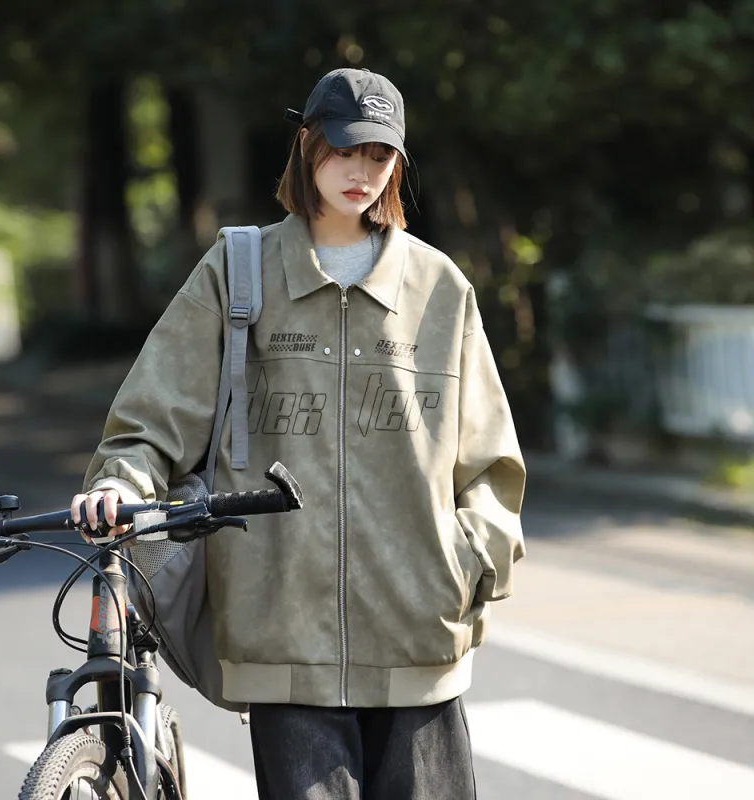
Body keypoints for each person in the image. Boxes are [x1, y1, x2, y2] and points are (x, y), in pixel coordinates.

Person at [71, 67, 526, 800]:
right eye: (344, 151)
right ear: (307, 146)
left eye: (379, 155)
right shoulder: (238, 271)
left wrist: (467, 562)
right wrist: (123, 480)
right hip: (281, 635)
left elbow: (490, 463)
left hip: (419, 636)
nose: (361, 173)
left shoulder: (439, 287)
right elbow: (156, 410)